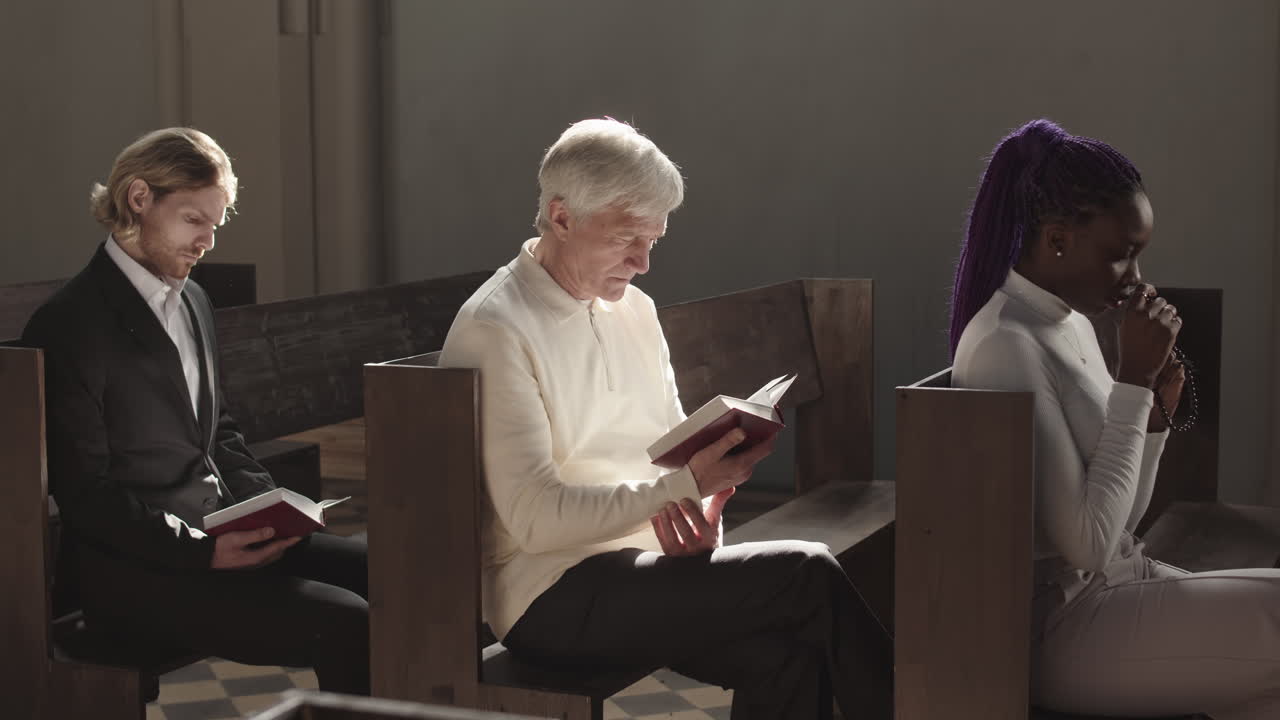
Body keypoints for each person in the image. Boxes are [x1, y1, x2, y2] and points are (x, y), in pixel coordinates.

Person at [439, 118, 892, 720]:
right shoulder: (497, 327)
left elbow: (670, 449)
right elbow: (534, 520)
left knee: (784, 652)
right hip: (549, 596)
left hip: (642, 571)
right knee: (805, 572)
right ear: (563, 217)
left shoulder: (633, 310)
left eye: (654, 240)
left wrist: (704, 523)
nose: (644, 263)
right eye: (628, 238)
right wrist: (682, 488)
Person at [950, 118, 1279, 719]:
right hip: (1063, 630)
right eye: (1121, 256)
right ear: (1056, 241)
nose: (1136, 278)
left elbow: (1119, 521)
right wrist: (1131, 384)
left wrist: (1150, 414)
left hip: (1117, 588)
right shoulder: (1007, 344)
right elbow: (1089, 544)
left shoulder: (1067, 321)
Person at [22, 128, 370, 694]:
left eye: (217, 222)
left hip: (219, 532)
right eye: (193, 220)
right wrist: (202, 550)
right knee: (350, 622)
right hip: (138, 570)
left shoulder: (195, 298)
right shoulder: (71, 325)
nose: (208, 240)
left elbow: (217, 434)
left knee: (386, 575)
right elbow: (86, 494)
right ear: (138, 199)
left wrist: (270, 507)